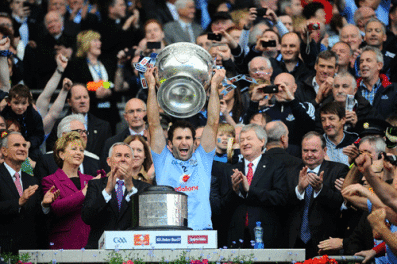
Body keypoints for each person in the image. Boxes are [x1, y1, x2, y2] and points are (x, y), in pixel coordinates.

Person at [146, 66, 225, 230]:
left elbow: (213, 123)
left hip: (201, 230)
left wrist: (215, 86)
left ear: (195, 142)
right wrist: (151, 86)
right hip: (168, 231)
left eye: (188, 138)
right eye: (179, 138)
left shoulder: (203, 159)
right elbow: (154, 125)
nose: (184, 142)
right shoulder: (163, 159)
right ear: (169, 144)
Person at [216, 124, 288, 248]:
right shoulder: (231, 170)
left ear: (262, 141)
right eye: (242, 140)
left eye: (249, 139)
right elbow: (222, 207)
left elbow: (281, 198)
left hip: (265, 236)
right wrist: (235, 191)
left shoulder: (275, 166)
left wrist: (250, 190)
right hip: (237, 237)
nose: (245, 143)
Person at [286, 132, 349, 258]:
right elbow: (283, 203)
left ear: (324, 151)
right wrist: (299, 189)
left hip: (325, 242)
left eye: (314, 150)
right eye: (305, 150)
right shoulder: (291, 171)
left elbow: (339, 203)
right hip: (294, 241)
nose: (309, 155)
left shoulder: (339, 170)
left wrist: (320, 189)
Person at [82, 142, 151, 249]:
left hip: (133, 249)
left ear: (133, 162)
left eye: (127, 156)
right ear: (109, 161)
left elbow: (146, 219)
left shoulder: (144, 188)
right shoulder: (96, 185)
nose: (123, 159)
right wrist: (107, 191)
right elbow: (87, 217)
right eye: (118, 155)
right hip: (99, 250)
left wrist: (130, 188)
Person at [0, 132, 59, 254]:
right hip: (4, 249)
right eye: (17, 145)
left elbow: (37, 218)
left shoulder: (32, 179)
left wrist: (44, 205)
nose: (22, 149)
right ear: (4, 151)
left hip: (29, 249)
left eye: (24, 145)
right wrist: (18, 202)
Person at [41, 131, 99, 249]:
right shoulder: (50, 180)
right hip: (65, 243)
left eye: (81, 150)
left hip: (90, 242)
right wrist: (85, 192)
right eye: (74, 149)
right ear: (61, 154)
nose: (78, 153)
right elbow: (57, 208)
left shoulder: (90, 179)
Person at [63, 30, 120, 132]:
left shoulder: (107, 63)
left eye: (99, 40)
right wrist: (95, 91)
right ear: (86, 43)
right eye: (95, 40)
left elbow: (112, 83)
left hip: (110, 113)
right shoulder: (77, 65)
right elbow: (78, 86)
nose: (99, 43)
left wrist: (108, 90)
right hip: (90, 112)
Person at [46, 83, 112, 157]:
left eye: (85, 97)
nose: (82, 101)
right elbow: (53, 153)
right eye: (78, 98)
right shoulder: (57, 125)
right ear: (69, 102)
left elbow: (107, 157)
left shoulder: (104, 126)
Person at [34, 114, 100, 183]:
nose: (84, 135)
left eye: (85, 132)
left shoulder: (94, 161)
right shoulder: (46, 161)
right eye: (79, 131)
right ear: (64, 135)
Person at [101, 98, 147, 172]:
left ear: (146, 114)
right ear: (125, 117)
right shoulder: (111, 143)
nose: (135, 115)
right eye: (131, 111)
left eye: (138, 110)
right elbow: (107, 173)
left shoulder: (157, 140)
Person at [1, 84, 44, 161]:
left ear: (28, 103)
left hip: (28, 147)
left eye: (23, 103)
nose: (20, 107)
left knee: (37, 156)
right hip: (6, 145)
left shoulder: (34, 115)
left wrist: (30, 143)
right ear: (9, 102)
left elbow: (39, 135)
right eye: (16, 103)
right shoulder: (3, 113)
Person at [356, 46, 397, 119]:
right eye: (361, 61)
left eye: (368, 60)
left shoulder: (393, 90)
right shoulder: (352, 89)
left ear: (379, 65)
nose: (363, 64)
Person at [319, 101, 359, 166]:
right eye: (323, 120)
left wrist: (355, 160)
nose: (327, 124)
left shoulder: (355, 142)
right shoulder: (318, 144)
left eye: (331, 119)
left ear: (343, 120)